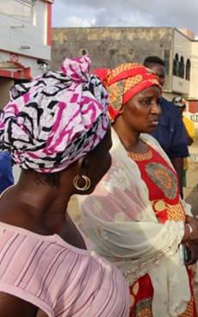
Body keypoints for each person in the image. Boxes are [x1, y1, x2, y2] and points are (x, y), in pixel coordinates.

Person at [0, 55, 129, 316]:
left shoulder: (35, 211)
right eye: (106, 151)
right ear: (83, 166)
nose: (110, 160)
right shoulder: (14, 270)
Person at [78, 63, 198, 317]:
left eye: (157, 102)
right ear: (120, 104)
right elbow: (110, 232)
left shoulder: (152, 145)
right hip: (132, 281)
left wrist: (189, 229)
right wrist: (186, 231)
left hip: (172, 269)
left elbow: (174, 200)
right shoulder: (103, 157)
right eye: (146, 102)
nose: (156, 111)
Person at [143, 56, 189, 196]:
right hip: (130, 180)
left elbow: (177, 154)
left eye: (161, 76)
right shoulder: (127, 106)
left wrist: (178, 191)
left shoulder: (172, 112)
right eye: (152, 74)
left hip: (162, 184)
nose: (157, 79)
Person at [173, 96, 196, 189]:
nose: (177, 110)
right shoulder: (163, 120)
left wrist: (180, 123)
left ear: (183, 108)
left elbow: (189, 141)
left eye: (180, 108)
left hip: (181, 164)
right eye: (175, 108)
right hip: (165, 162)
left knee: (179, 190)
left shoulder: (188, 123)